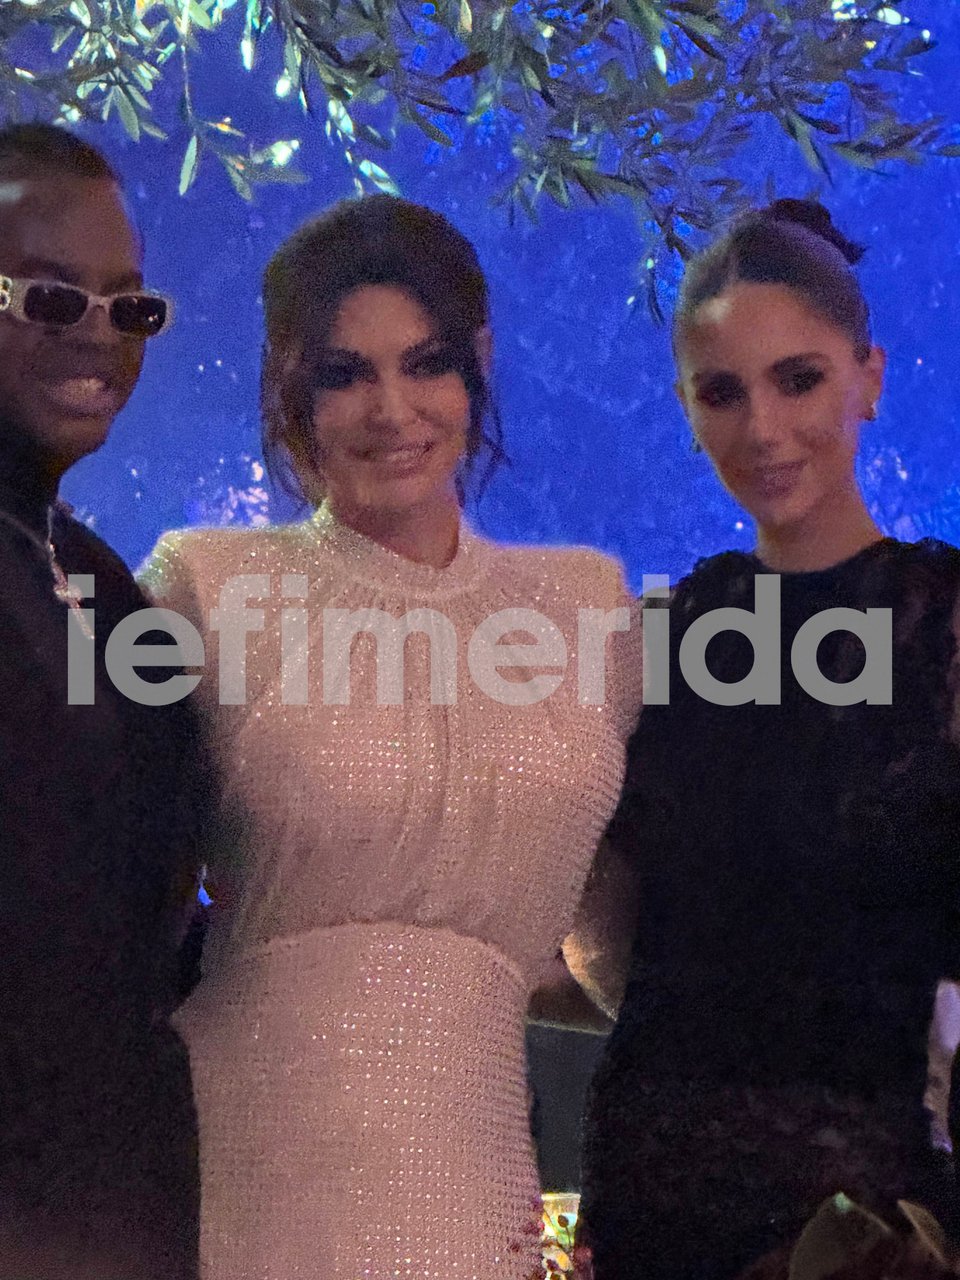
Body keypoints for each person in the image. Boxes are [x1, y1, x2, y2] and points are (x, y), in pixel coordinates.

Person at [140, 194, 643, 1279]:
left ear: (479, 364)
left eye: (426, 364)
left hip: (481, 1172)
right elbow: (103, 892)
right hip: (244, 1158)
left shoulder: (588, 608)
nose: (391, 408)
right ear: (291, 387)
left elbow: (624, 930)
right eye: (344, 373)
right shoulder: (207, 585)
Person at [574, 199, 960, 1280]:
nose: (764, 428)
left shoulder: (944, 624)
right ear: (686, 408)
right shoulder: (659, 639)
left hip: (872, 1230)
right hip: (650, 1197)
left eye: (799, 379)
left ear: (870, 377)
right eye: (723, 392)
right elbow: (606, 935)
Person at [0, 123, 205, 1279]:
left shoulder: (102, 582)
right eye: (49, 297)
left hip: (123, 1215)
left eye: (128, 306)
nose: (98, 335)